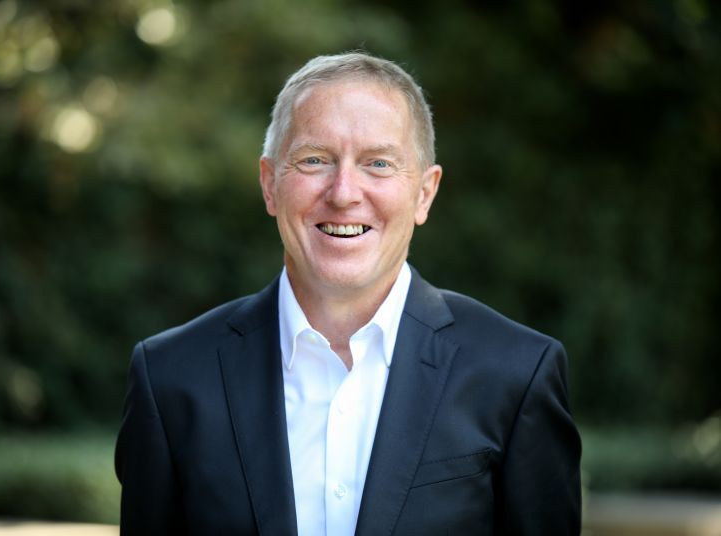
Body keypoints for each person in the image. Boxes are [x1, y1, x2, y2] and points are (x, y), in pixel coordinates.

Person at [115, 51, 582, 535]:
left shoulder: (517, 373)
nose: (343, 193)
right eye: (314, 160)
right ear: (269, 184)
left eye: (378, 163)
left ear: (424, 193)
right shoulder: (170, 378)